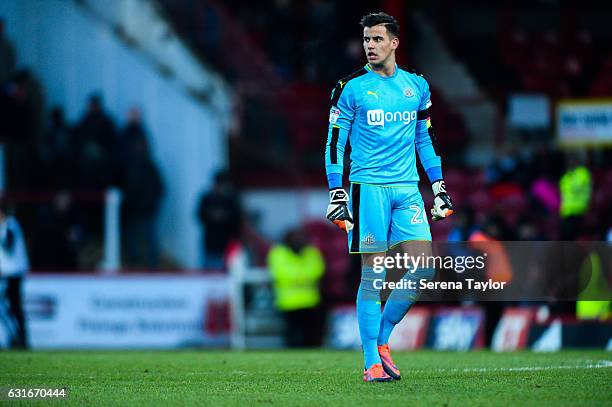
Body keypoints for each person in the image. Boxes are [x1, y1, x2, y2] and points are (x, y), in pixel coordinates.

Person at [324, 12, 453, 382]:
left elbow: (424, 139)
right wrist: (337, 190)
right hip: (368, 189)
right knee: (374, 275)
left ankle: (380, 340)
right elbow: (335, 142)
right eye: (366, 40)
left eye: (377, 39)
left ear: (394, 43)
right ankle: (370, 363)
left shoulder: (417, 86)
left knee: (424, 268)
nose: (370, 46)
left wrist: (439, 184)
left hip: (408, 189)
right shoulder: (350, 88)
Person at [267, 228, 325, 348]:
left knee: (310, 335)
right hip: (288, 303)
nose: (299, 241)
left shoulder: (311, 252)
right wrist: (304, 278)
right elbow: (280, 273)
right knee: (291, 335)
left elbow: (317, 270)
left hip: (310, 301)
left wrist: (297, 278)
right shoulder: (278, 252)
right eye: (296, 238)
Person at [197, 170, 242, 270]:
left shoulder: (232, 200)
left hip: (227, 247)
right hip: (211, 245)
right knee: (210, 275)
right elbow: (200, 216)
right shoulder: (206, 199)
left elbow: (237, 220)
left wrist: (222, 217)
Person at [0, 201, 30, 348]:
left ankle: (21, 338)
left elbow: (8, 247)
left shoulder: (10, 225)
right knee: (12, 307)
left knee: (14, 307)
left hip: (13, 273)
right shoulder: (7, 226)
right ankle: (16, 338)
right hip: (9, 273)